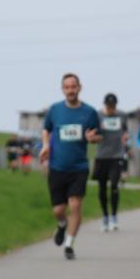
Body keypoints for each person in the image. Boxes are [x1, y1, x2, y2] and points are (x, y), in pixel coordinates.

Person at [39, 73, 101, 259]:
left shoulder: (89, 112)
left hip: (78, 167)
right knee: (58, 210)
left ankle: (69, 244)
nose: (70, 90)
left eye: (73, 87)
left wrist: (92, 138)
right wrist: (46, 145)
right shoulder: (55, 110)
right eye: (67, 87)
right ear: (62, 89)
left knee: (75, 205)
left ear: (79, 88)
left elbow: (99, 135)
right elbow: (46, 129)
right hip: (57, 167)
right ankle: (62, 224)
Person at [93, 93, 128, 232]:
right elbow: (92, 132)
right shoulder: (98, 116)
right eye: (109, 106)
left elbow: (125, 131)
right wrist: (98, 130)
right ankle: (105, 217)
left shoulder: (122, 115)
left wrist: (125, 137)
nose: (111, 109)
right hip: (101, 156)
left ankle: (114, 216)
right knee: (102, 188)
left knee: (114, 186)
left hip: (117, 155)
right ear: (105, 105)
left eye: (113, 106)